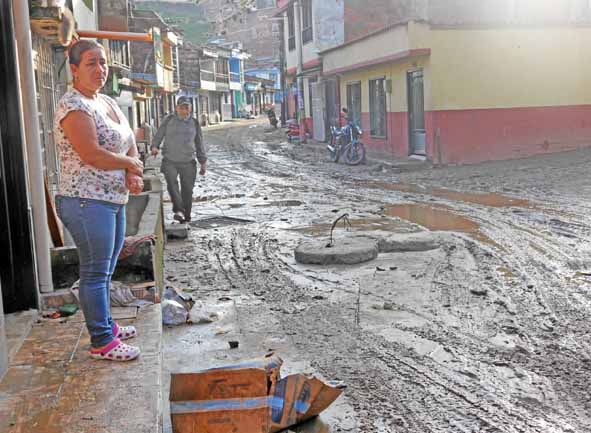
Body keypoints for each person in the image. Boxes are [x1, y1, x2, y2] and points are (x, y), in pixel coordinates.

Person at [54, 40, 144, 362]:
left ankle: (106, 324)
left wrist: (132, 170)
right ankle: (102, 342)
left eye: (103, 63)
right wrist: (129, 165)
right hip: (84, 200)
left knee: (105, 270)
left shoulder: (106, 101)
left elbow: (128, 140)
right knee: (94, 272)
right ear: (74, 69)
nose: (100, 69)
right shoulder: (74, 106)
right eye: (91, 63)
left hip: (112, 198)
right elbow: (91, 153)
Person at [150, 97, 207, 223]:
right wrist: (154, 146)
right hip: (170, 160)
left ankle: (186, 216)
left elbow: (199, 143)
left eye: (187, 107)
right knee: (172, 184)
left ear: (190, 108)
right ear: (177, 108)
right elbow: (159, 134)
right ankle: (179, 210)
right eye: (182, 107)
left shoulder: (194, 123)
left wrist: (203, 162)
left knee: (187, 189)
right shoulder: (169, 120)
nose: (184, 110)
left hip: (188, 161)